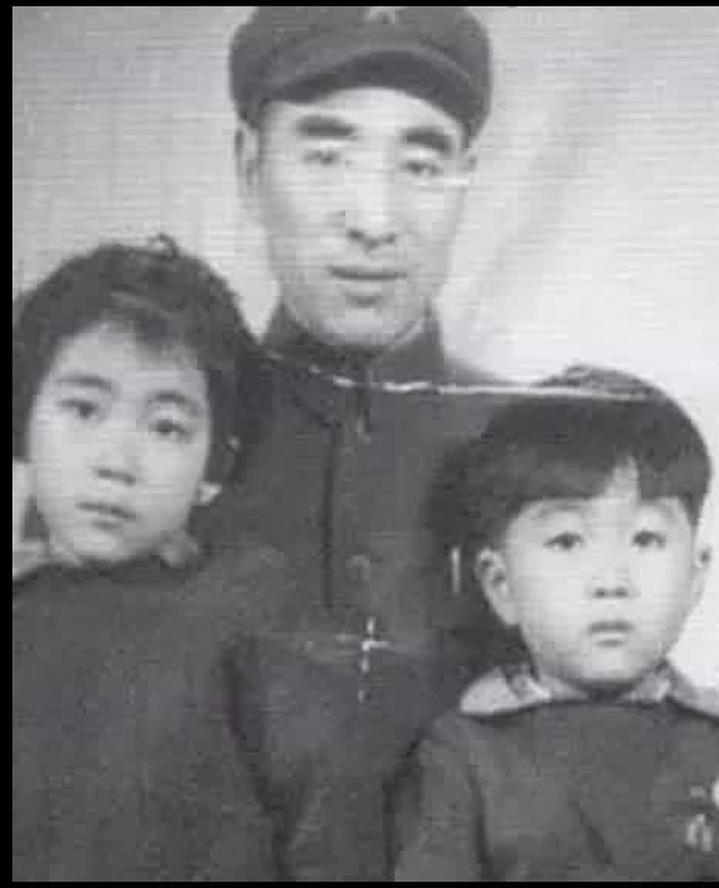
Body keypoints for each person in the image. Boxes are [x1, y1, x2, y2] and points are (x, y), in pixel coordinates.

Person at [391, 366, 719, 882]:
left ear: (696, 574)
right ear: (501, 585)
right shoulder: (466, 756)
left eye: (646, 539)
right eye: (567, 541)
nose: (611, 581)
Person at [203, 5, 512, 683]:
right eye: (327, 157)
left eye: (421, 166)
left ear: (465, 181)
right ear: (251, 169)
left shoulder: (535, 445)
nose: (374, 222)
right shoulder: (162, 438)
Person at [11, 237, 302, 880]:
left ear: (215, 466)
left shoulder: (249, 616)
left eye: (167, 427)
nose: (116, 462)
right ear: (24, 419)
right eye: (83, 410)